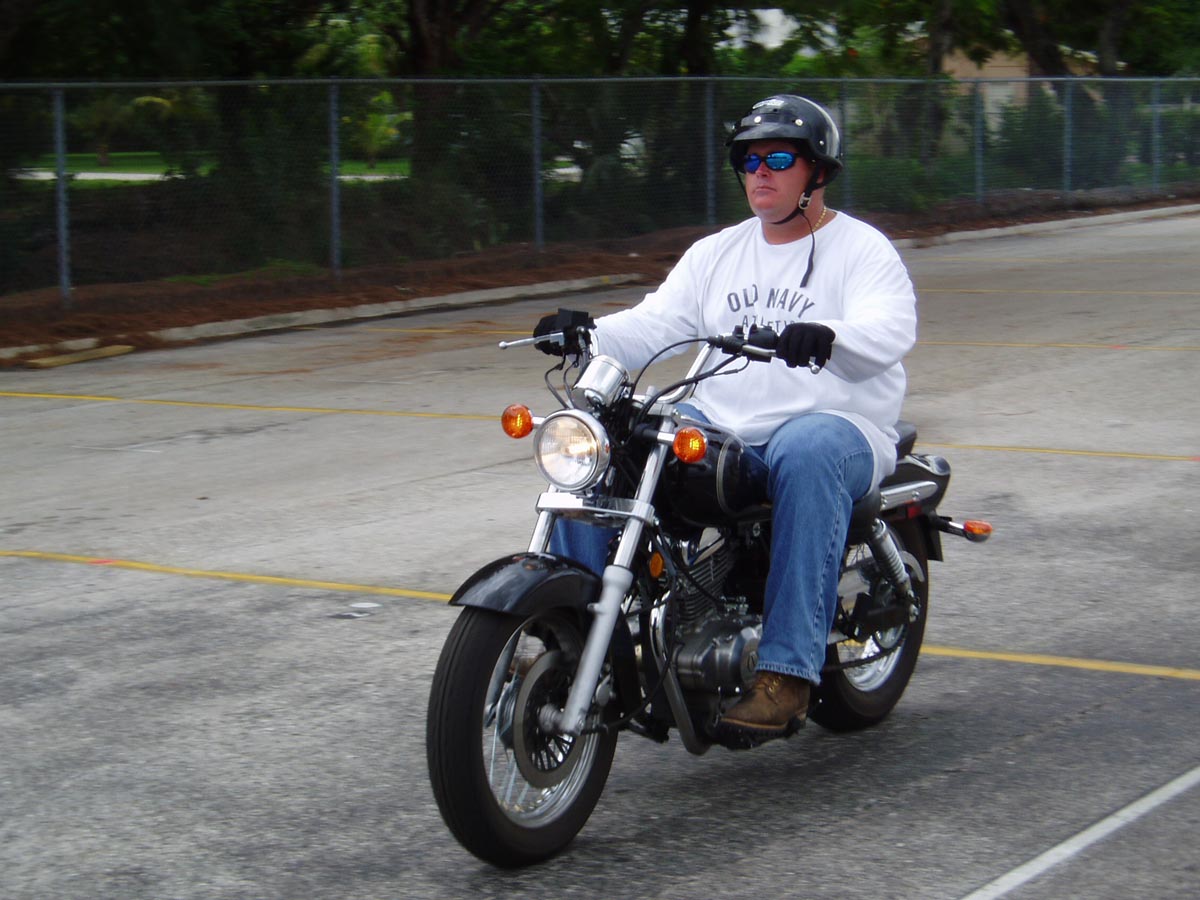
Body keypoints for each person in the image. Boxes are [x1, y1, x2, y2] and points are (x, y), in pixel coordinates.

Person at [533, 94, 917, 747]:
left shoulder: (861, 249)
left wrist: (829, 335)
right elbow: (656, 323)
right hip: (722, 422)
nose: (760, 172)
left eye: (778, 159)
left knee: (808, 451)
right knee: (612, 441)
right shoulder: (718, 252)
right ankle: (569, 632)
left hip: (835, 424)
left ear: (818, 171)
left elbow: (890, 327)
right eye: (749, 160)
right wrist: (587, 333)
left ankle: (787, 673)